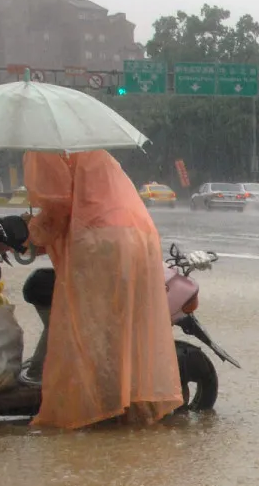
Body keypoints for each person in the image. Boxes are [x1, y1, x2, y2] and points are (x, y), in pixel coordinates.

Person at [21, 150, 182, 428]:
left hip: (101, 241)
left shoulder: (44, 149)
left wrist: (29, 232)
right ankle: (130, 409)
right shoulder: (94, 152)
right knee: (121, 330)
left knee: (90, 331)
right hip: (139, 238)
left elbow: (57, 209)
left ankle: (99, 409)